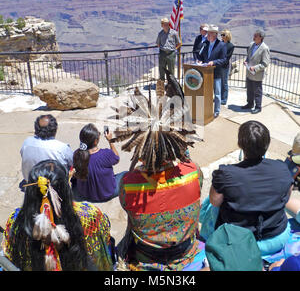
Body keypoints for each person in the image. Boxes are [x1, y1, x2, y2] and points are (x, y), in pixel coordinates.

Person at [110, 78, 204, 271]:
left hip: (146, 258)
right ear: (176, 142)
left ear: (138, 145)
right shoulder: (193, 174)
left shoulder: (128, 184)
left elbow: (127, 207)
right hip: (186, 254)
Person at [201, 120, 294, 257]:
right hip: (277, 238)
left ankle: (205, 237)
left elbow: (215, 202)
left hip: (237, 244)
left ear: (240, 144)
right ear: (267, 144)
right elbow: (286, 196)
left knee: (211, 202)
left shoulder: (226, 174)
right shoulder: (282, 168)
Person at [2, 160, 115, 271]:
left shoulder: (16, 221)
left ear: (30, 191)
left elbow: (10, 256)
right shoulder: (90, 215)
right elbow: (102, 250)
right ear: (66, 188)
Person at [72, 123, 126, 203]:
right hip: (107, 194)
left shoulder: (77, 154)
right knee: (126, 174)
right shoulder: (106, 154)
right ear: (95, 141)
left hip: (84, 195)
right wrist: (110, 141)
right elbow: (117, 158)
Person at [20, 114, 73, 189]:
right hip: (53, 188)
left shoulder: (26, 143)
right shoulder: (62, 148)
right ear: (55, 129)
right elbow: (73, 162)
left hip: (31, 183)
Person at [198, 24, 227, 118]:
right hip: (206, 73)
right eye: (207, 33)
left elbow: (223, 60)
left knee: (217, 94)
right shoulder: (205, 44)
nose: (207, 35)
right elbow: (201, 56)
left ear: (215, 34)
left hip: (216, 73)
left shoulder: (221, 45)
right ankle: (207, 109)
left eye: (209, 33)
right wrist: (200, 60)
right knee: (206, 93)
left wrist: (213, 62)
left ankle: (217, 111)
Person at [241, 30, 270, 114]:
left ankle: (258, 107)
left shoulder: (265, 48)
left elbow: (265, 63)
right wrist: (246, 62)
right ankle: (250, 104)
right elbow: (249, 57)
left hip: (257, 74)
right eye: (254, 35)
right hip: (249, 72)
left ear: (260, 37)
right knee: (249, 89)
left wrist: (255, 68)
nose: (253, 37)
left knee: (257, 91)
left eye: (255, 36)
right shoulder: (251, 45)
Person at [220, 29, 235, 105]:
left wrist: (219, 61)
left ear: (227, 36)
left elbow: (227, 57)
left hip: (224, 66)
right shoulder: (219, 44)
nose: (222, 36)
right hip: (218, 66)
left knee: (224, 83)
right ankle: (218, 97)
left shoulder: (231, 46)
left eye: (223, 35)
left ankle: (224, 99)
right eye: (221, 35)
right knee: (219, 82)